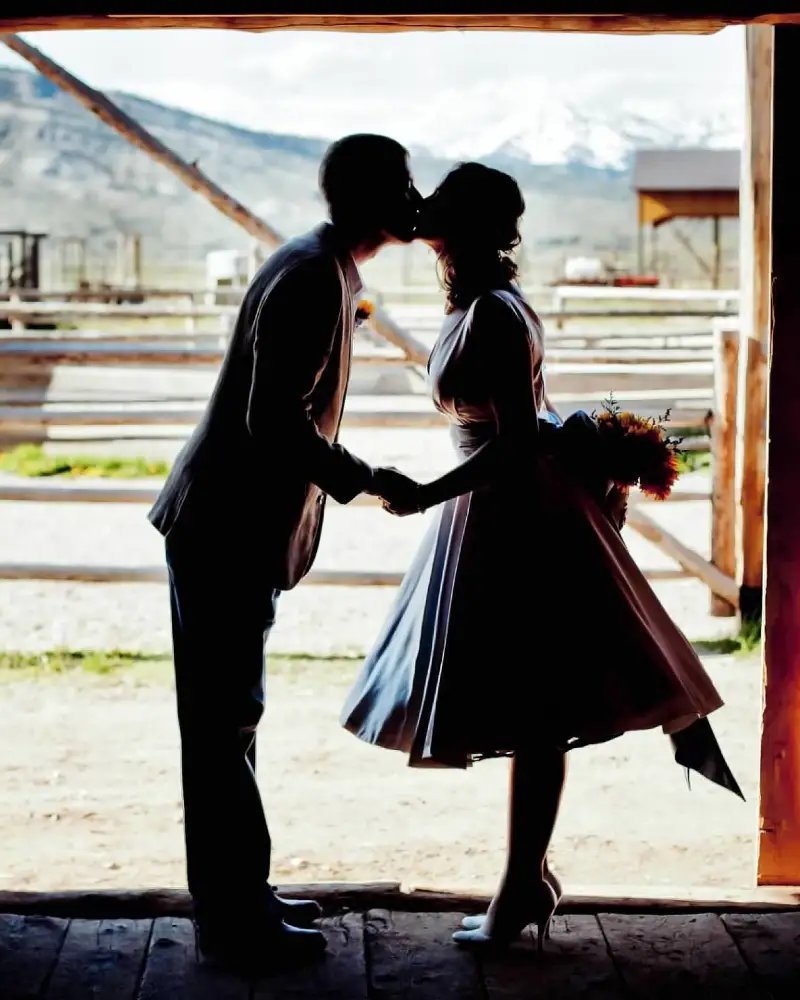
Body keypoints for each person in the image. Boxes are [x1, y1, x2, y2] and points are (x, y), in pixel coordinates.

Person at [340, 162, 741, 952]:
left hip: (514, 516)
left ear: (469, 225)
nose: (423, 211)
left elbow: (519, 440)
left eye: (440, 204)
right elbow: (536, 416)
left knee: (539, 709)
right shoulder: (474, 307)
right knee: (529, 704)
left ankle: (523, 882)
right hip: (489, 511)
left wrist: (427, 493)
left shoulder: (493, 313)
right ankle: (530, 878)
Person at [147, 134, 422, 973]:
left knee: (231, 718)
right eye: (404, 185)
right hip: (225, 526)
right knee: (222, 724)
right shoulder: (310, 275)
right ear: (376, 197)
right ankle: (233, 923)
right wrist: (371, 479)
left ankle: (242, 894)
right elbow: (275, 420)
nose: (416, 198)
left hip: (231, 527)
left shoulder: (323, 264)